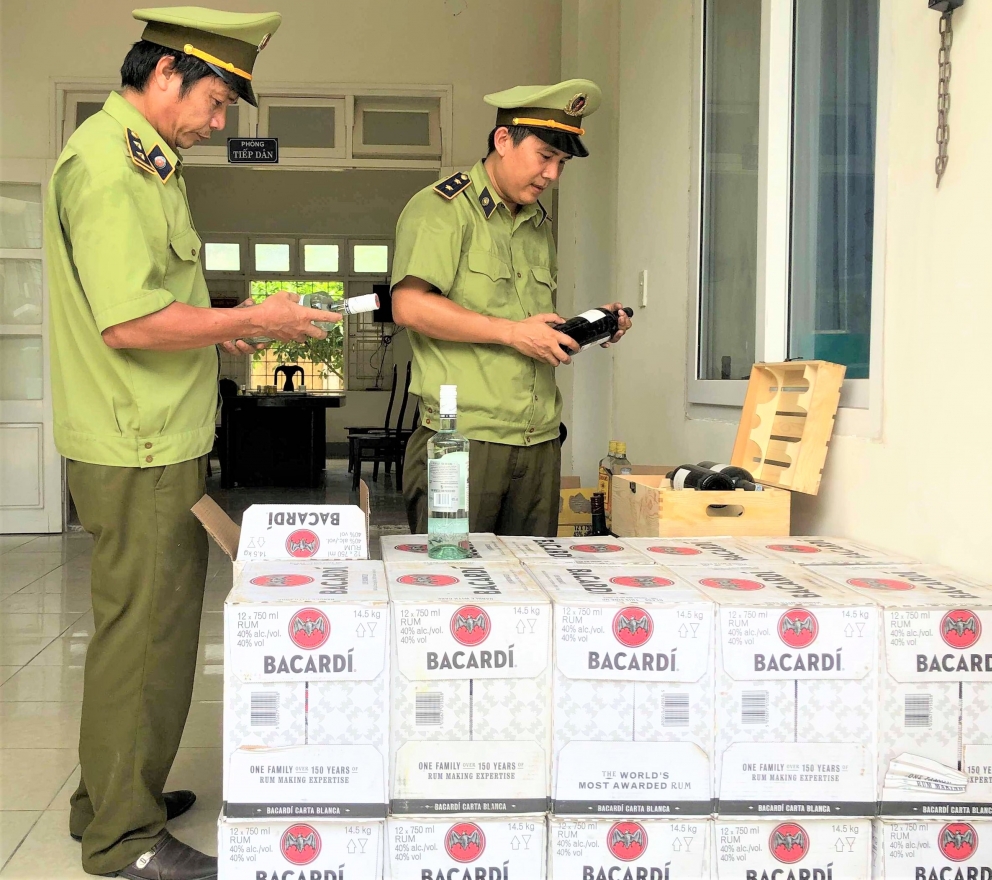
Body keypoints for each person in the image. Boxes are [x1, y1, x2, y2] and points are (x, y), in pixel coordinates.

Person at [43, 7, 335, 879]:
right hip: (136, 441)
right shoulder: (111, 166)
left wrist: (217, 330)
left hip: (149, 431)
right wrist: (254, 315)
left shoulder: (141, 162)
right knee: (149, 637)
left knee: (141, 630)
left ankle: (107, 799)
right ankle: (123, 841)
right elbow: (129, 324)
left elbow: (146, 306)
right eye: (215, 101)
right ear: (164, 75)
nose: (219, 123)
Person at [392, 79, 632, 537]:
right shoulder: (443, 209)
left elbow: (527, 322)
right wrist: (512, 333)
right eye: (545, 157)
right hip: (464, 439)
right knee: (454, 587)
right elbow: (409, 306)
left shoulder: (537, 224)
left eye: (562, 163)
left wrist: (583, 327)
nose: (552, 175)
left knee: (531, 591)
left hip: (539, 438)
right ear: (504, 140)